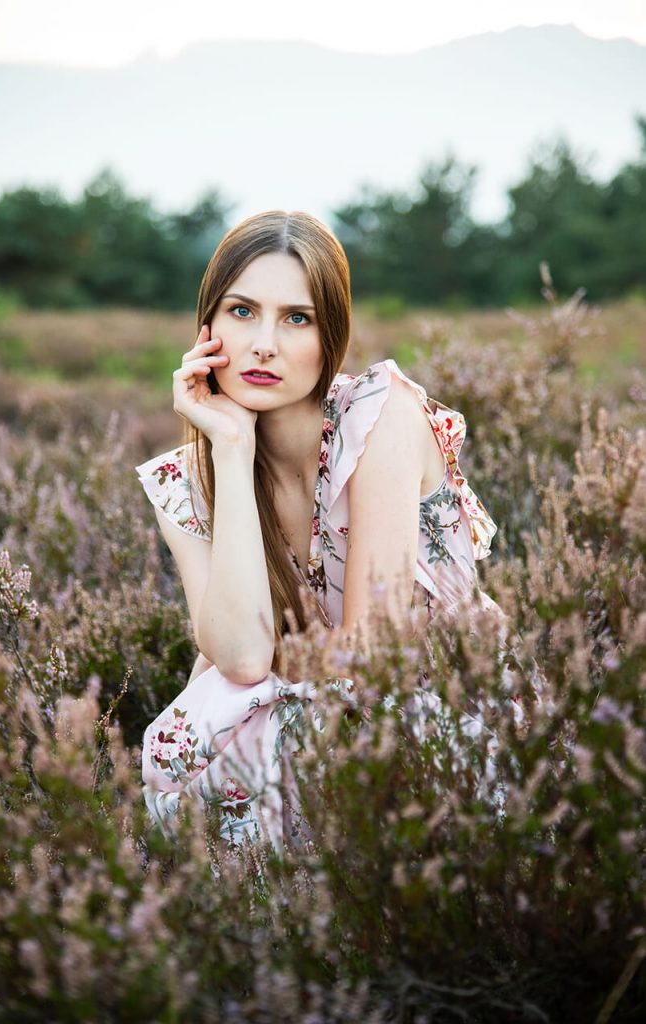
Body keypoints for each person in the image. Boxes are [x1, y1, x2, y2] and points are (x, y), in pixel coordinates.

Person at [135, 210, 503, 846]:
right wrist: (228, 446)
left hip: (437, 702)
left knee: (271, 735)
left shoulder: (379, 418)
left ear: (330, 334)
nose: (264, 344)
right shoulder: (187, 479)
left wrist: (281, 675)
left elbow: (375, 657)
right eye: (242, 311)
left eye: (296, 318)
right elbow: (245, 657)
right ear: (207, 327)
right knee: (213, 724)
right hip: (303, 709)